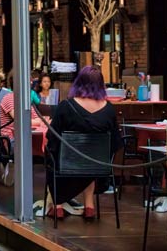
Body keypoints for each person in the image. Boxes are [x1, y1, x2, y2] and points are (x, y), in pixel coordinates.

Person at [42, 65, 121, 220]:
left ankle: (58, 205)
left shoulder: (66, 106)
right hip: (97, 166)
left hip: (67, 164)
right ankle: (89, 206)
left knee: (53, 153)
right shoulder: (109, 109)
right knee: (89, 159)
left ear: (79, 83)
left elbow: (52, 137)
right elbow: (115, 142)